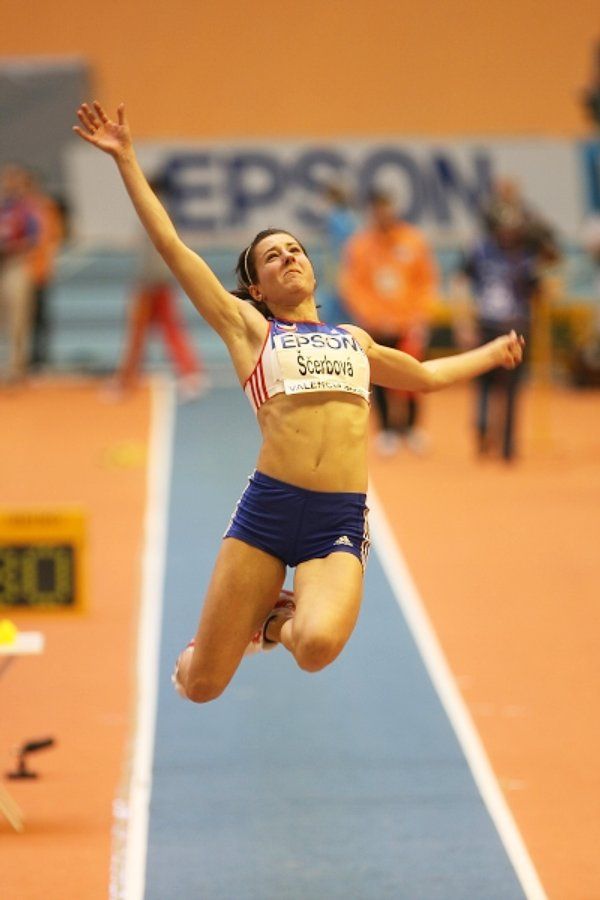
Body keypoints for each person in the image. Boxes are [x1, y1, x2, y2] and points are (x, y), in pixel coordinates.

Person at [74, 101, 524, 704]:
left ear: (313, 269)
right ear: (258, 287)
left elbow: (424, 376)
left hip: (339, 517)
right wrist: (127, 159)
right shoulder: (251, 332)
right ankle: (230, 639)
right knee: (200, 685)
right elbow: (173, 247)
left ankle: (270, 623)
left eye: (296, 250)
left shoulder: (354, 340)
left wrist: (492, 354)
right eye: (272, 256)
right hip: (268, 511)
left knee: (314, 647)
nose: (289, 256)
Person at [338, 189, 438, 455]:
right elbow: (352, 284)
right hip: (375, 326)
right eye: (377, 210)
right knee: (378, 377)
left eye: (387, 209)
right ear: (372, 213)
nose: (383, 215)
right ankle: (385, 431)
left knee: (413, 374)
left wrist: (418, 316)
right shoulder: (359, 245)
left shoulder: (413, 241)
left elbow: (425, 281)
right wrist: (371, 316)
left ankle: (412, 428)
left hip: (408, 323)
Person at [110, 174, 206, 399]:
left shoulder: (153, 212)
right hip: (155, 282)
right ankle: (189, 374)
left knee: (145, 332)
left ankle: (129, 380)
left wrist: (149, 281)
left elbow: (158, 252)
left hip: (153, 284)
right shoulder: (158, 211)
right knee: (159, 330)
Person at [0, 164, 39, 384]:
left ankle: (16, 366)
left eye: (14, 181)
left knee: (17, 317)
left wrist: (13, 248)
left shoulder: (27, 209)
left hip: (16, 264)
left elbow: (34, 238)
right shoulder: (2, 208)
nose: (9, 185)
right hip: (2, 264)